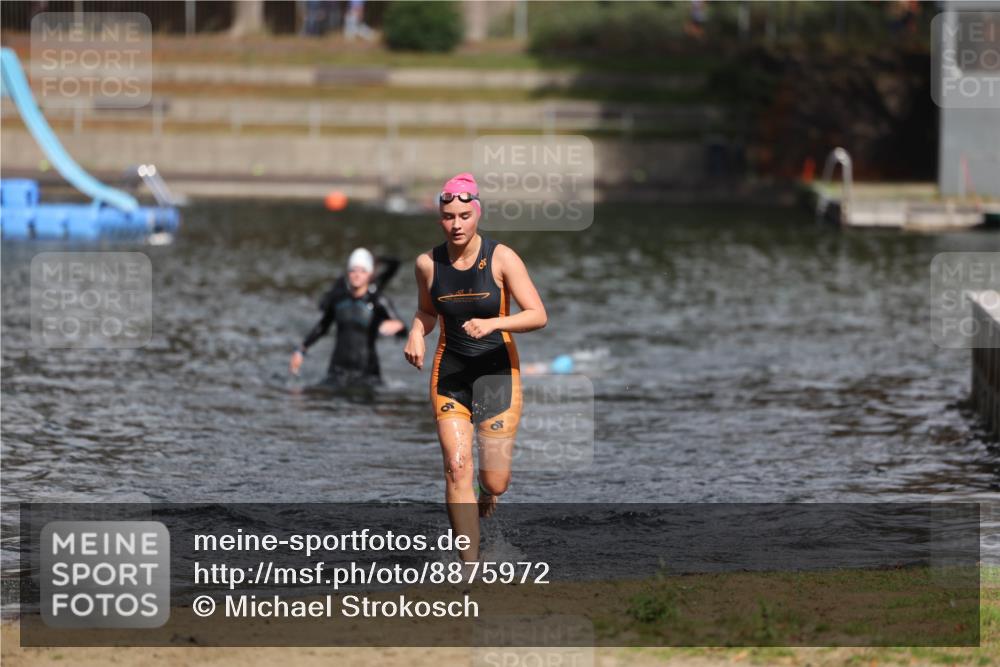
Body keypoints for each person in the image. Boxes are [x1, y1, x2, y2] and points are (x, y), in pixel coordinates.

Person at [403, 173, 547, 563]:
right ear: (440, 218)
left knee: (495, 481)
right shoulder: (427, 264)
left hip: (497, 372)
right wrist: (416, 332)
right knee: (456, 467)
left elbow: (538, 314)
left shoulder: (502, 258)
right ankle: (469, 566)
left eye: (464, 216)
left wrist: (494, 323)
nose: (457, 224)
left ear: (477, 214)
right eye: (449, 216)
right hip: (451, 373)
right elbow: (426, 312)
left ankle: (487, 492)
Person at [290, 248, 406, 388]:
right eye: (353, 271)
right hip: (337, 370)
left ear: (370, 274)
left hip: (367, 372)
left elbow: (403, 331)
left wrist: (398, 326)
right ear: (348, 273)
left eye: (362, 271)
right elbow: (322, 326)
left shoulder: (378, 301)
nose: (357, 275)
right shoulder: (338, 299)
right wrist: (301, 350)